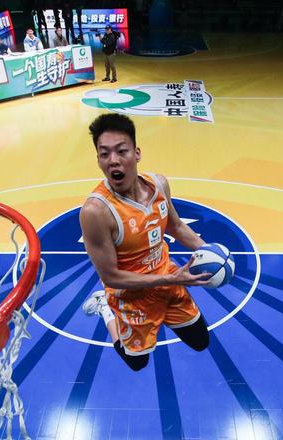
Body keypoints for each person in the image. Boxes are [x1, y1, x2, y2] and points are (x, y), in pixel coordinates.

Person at [80, 113, 211, 371]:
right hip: (130, 294)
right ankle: (105, 308)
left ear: (137, 153)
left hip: (166, 277)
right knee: (137, 362)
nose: (113, 160)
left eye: (121, 151)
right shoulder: (96, 212)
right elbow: (111, 277)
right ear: (98, 160)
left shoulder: (159, 185)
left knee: (200, 341)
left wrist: (210, 251)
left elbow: (176, 226)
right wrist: (170, 279)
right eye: (104, 154)